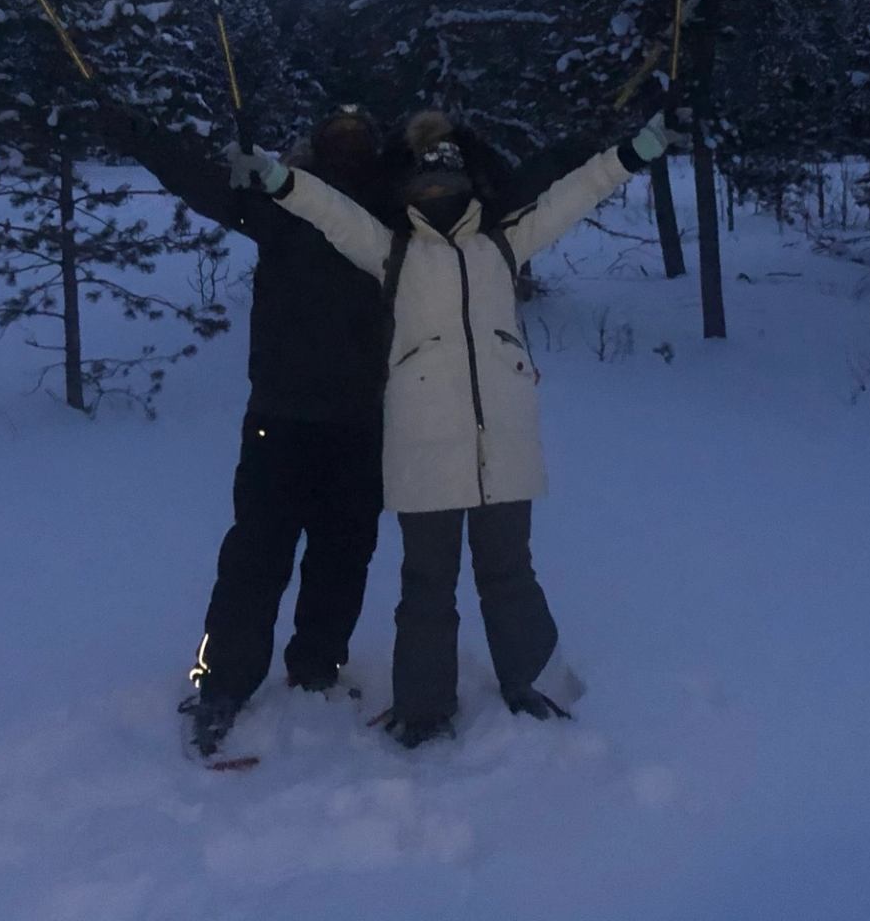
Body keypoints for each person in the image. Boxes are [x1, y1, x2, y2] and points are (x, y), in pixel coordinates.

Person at [234, 108, 680, 747]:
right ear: (409, 191)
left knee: (510, 573)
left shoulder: (503, 244)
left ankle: (536, 684)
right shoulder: (392, 253)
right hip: (422, 449)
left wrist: (638, 150)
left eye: (447, 180)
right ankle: (422, 709)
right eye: (425, 183)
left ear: (469, 185)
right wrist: (280, 179)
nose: (437, 192)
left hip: (504, 444)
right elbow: (332, 212)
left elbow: (577, 193)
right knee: (427, 585)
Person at [98, 100, 395, 757]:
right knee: (255, 558)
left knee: (344, 556)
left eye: (359, 134)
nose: (348, 143)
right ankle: (222, 684)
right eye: (337, 133)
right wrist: (133, 129)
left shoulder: (391, 211)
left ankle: (317, 666)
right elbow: (196, 178)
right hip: (279, 419)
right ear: (316, 146)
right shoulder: (279, 203)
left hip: (360, 420)